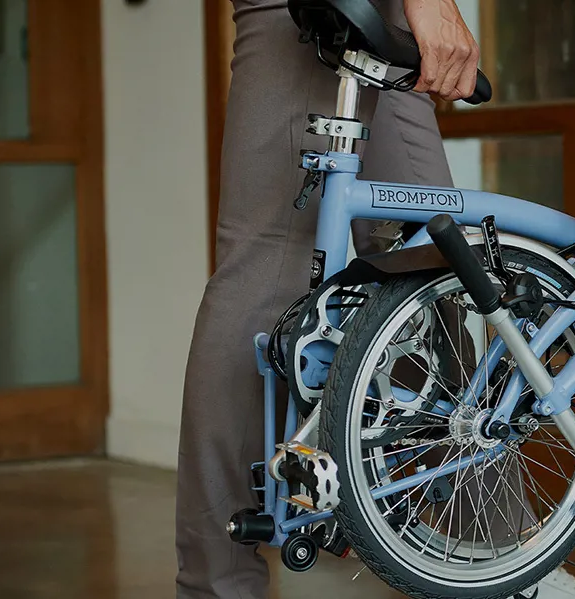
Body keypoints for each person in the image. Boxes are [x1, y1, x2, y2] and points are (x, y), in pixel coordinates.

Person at [174, 1, 481, 597]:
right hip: (322, 11)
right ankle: (217, 585)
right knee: (268, 275)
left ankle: (489, 567)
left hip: (384, 26)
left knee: (434, 278)